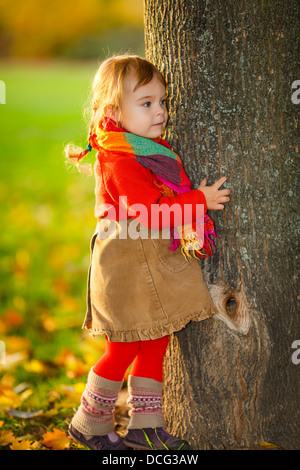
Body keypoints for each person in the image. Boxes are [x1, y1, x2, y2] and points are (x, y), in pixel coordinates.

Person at [64, 55, 230, 450]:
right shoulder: (119, 159)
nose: (161, 111)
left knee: (156, 341)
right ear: (112, 111)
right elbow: (151, 213)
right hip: (125, 264)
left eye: (163, 101)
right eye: (147, 103)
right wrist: (198, 201)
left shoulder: (143, 150)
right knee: (123, 345)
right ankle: (89, 422)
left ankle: (145, 426)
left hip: (148, 262)